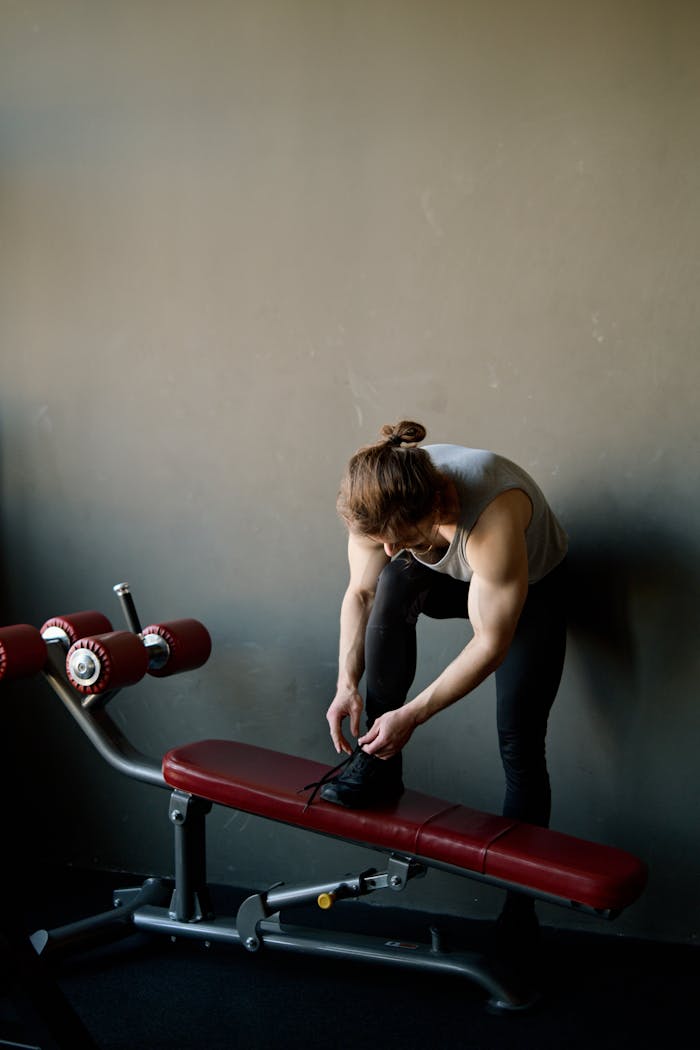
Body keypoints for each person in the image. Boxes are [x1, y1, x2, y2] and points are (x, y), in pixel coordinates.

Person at [321, 420, 568, 951]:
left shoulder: (492, 514)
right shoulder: (377, 498)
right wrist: (347, 685)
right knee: (391, 580)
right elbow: (359, 595)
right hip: (442, 573)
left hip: (531, 593)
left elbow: (490, 643)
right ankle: (377, 766)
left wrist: (411, 716)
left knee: (520, 743)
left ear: (436, 508)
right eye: (380, 539)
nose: (386, 548)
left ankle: (519, 913)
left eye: (398, 539)